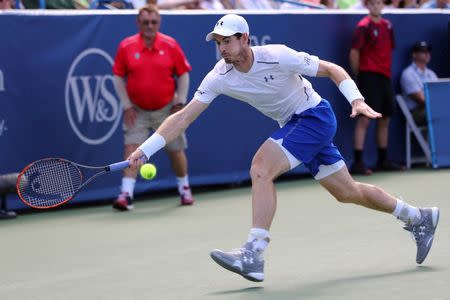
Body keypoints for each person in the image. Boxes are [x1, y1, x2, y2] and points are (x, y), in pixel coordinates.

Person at [126, 14, 440, 282]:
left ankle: (254, 253)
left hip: (314, 116)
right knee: (347, 192)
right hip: (294, 125)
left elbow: (333, 70)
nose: (221, 48)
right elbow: (181, 118)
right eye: (217, 42)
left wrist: (356, 99)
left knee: (260, 169)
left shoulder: (278, 55)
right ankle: (418, 217)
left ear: (244, 39)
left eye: (227, 41)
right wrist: (146, 149)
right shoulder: (218, 76)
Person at [112, 4, 194, 211]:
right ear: (138, 23)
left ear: (159, 23)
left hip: (167, 109)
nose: (150, 26)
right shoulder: (126, 46)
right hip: (137, 111)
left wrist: (180, 102)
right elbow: (118, 77)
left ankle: (184, 189)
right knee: (131, 150)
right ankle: (126, 194)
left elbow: (183, 73)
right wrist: (127, 105)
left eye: (154, 22)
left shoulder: (170, 44)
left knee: (176, 150)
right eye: (145, 22)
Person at [349, 0, 405, 175]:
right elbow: (354, 52)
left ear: (383, 5)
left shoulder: (388, 26)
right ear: (368, 6)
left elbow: (388, 50)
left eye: (379, 3)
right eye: (372, 3)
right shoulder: (363, 26)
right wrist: (360, 76)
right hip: (368, 76)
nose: (376, 6)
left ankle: (383, 160)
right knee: (364, 119)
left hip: (384, 77)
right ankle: (358, 162)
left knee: (385, 118)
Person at [400, 41, 438, 126]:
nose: (427, 54)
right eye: (423, 51)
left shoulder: (431, 74)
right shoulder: (407, 74)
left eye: (428, 51)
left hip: (433, 108)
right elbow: (422, 100)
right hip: (417, 112)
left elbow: (438, 96)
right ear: (414, 54)